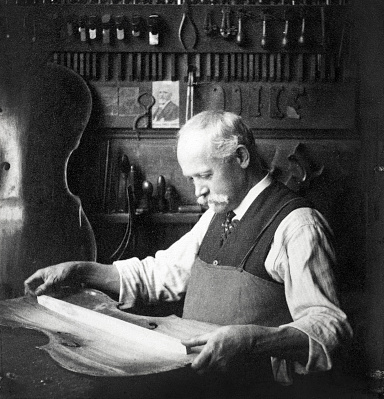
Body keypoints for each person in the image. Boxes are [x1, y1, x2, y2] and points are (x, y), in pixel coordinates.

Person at [24, 110, 352, 395]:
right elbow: (159, 274)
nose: (197, 192)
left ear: (240, 158)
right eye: (192, 179)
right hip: (202, 382)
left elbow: (330, 329)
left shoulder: (299, 225)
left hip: (256, 389)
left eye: (205, 176)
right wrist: (80, 270)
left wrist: (251, 340)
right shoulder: (217, 214)